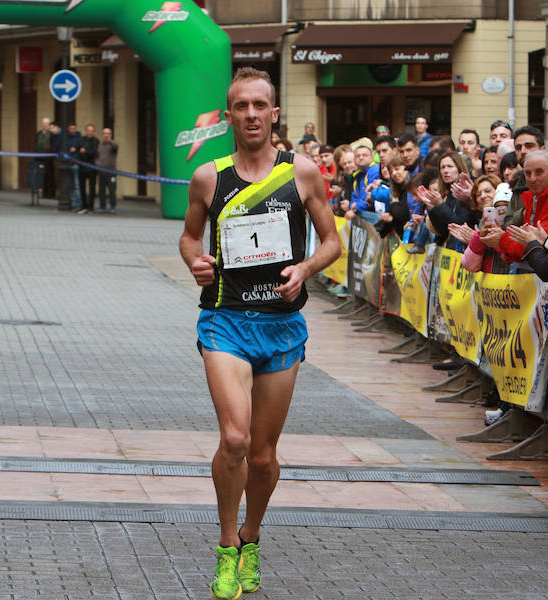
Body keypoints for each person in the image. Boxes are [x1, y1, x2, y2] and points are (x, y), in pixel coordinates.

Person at [178, 67, 340, 600]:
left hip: (281, 325)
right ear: (230, 115)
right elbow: (188, 237)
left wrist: (305, 271)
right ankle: (227, 547)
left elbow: (332, 242)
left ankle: (252, 536)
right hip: (224, 320)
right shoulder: (210, 176)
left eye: (259, 106)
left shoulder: (303, 173)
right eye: (240, 106)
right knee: (235, 439)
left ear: (274, 113)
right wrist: (196, 263)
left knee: (265, 455)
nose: (250, 114)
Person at [96, 127, 119, 213]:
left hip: (111, 171)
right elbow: (98, 156)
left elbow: (115, 147)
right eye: (104, 133)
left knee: (112, 189)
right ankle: (102, 206)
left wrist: (109, 140)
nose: (105, 135)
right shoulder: (100, 145)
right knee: (101, 190)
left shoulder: (113, 145)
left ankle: (112, 206)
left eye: (108, 133)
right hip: (101, 171)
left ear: (110, 135)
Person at [77, 124, 99, 214]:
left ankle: (91, 206)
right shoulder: (81, 140)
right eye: (89, 130)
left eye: (92, 131)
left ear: (93, 132)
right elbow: (78, 150)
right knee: (82, 187)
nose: (90, 132)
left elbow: (94, 152)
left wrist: (85, 151)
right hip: (82, 167)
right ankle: (83, 205)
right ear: (86, 131)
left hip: (92, 167)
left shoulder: (96, 141)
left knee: (92, 187)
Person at [35, 117, 56, 198]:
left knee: (49, 176)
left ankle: (50, 193)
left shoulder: (51, 134)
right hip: (39, 157)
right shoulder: (39, 133)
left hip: (49, 158)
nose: (45, 125)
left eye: (46, 124)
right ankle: (43, 192)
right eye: (43, 124)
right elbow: (36, 144)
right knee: (41, 175)